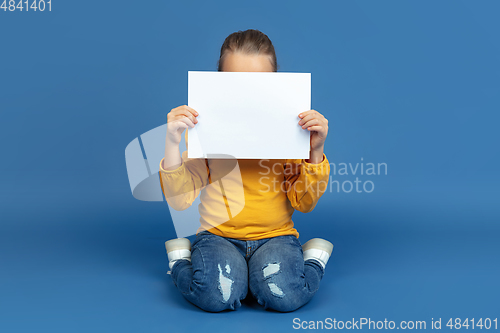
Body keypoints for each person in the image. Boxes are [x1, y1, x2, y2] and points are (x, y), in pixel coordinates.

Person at [159, 29, 332, 312]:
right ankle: (180, 261)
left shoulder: (291, 134)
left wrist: (314, 152)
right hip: (218, 236)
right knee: (216, 296)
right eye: (235, 84)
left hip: (276, 236)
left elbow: (305, 203)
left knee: (285, 295)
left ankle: (313, 260)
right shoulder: (207, 132)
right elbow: (180, 201)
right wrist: (172, 142)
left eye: (258, 85)